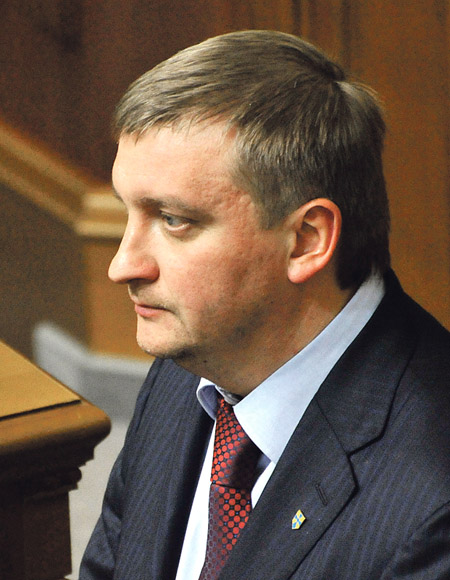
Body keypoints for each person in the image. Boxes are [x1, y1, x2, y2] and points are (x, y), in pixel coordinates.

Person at [80, 30, 450, 580]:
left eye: (174, 220)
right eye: (127, 212)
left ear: (306, 240)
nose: (122, 265)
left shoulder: (432, 504)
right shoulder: (191, 366)